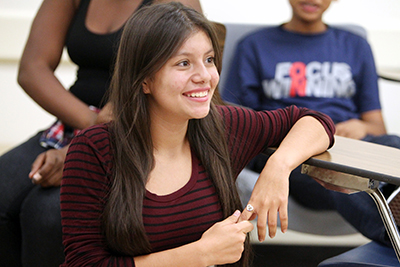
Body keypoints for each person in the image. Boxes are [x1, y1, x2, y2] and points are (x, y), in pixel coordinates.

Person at [60, 2, 335, 266]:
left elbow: (315, 121)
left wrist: (277, 168)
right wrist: (199, 255)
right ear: (144, 79)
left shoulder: (224, 126)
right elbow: (84, 263)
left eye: (209, 59)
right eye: (183, 63)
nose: (205, 76)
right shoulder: (94, 150)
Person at [0, 0, 203, 266]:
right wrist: (91, 124)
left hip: (135, 132)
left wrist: (86, 145)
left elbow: (182, 76)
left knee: (49, 214)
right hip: (76, 124)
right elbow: (32, 68)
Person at [221, 0, 400, 246]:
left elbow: (377, 128)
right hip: (291, 151)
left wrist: (361, 126)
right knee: (334, 172)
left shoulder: (355, 45)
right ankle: (393, 231)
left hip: (349, 142)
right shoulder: (254, 45)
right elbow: (238, 122)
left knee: (393, 144)